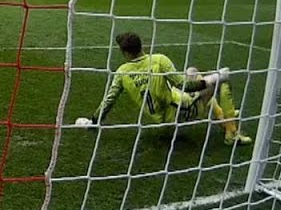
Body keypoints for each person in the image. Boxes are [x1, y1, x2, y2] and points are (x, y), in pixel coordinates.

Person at [81, 32, 252, 146]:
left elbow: (109, 100)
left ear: (125, 53)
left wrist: (94, 122)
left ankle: (221, 114)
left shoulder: (121, 72)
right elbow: (185, 86)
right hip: (181, 111)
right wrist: (212, 80)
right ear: (142, 46)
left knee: (192, 71)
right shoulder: (159, 59)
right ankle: (231, 133)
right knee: (223, 79)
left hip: (161, 117)